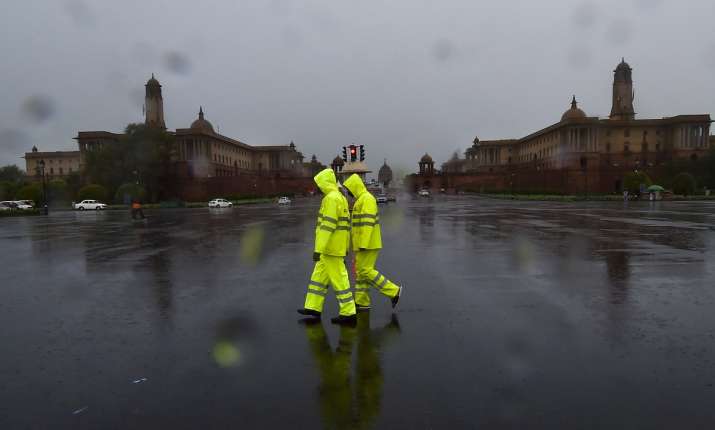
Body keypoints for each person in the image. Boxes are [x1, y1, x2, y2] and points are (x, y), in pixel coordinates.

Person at [298, 168, 357, 324]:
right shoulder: (341, 198)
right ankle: (313, 307)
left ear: (325, 183)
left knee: (339, 280)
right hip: (333, 248)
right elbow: (345, 227)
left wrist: (318, 249)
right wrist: (344, 249)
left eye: (319, 184)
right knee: (318, 277)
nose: (318, 187)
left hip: (330, 248)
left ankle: (349, 312)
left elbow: (327, 226)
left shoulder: (331, 199)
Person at [342, 174, 401, 311]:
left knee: (365, 270)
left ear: (354, 187)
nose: (348, 193)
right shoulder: (361, 200)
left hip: (367, 244)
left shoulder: (366, 199)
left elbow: (367, 224)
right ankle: (362, 301)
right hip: (363, 244)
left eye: (349, 189)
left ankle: (394, 291)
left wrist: (363, 243)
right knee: (361, 273)